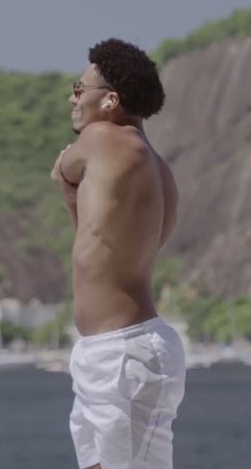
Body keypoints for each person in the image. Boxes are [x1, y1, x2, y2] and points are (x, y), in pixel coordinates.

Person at [49, 38, 186, 469]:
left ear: (110, 100)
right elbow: (98, 244)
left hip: (124, 354)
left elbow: (62, 168)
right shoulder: (159, 171)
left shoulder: (101, 138)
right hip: (108, 352)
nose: (72, 97)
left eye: (79, 87)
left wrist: (67, 181)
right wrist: (73, 201)